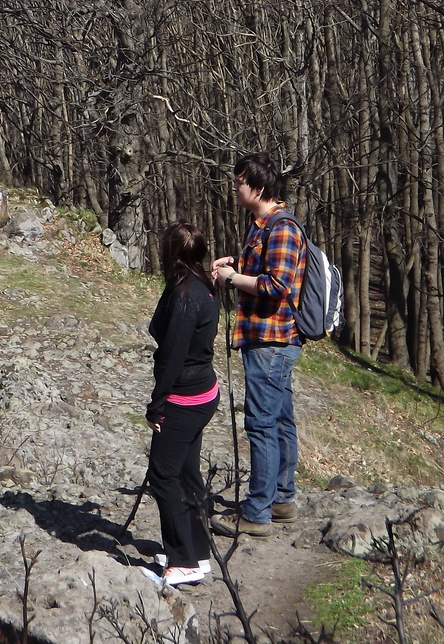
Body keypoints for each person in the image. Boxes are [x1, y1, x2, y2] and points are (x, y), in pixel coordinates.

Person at [211, 151, 306, 538]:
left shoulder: (282, 228)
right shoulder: (261, 227)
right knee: (280, 421)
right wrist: (234, 267)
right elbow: (263, 273)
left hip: (271, 342)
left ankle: (257, 512)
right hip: (269, 342)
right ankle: (281, 499)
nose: (235, 187)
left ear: (258, 186)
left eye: (239, 181)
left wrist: (234, 279)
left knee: (262, 426)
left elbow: (277, 285)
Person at [143, 220, 221, 588]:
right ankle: (199, 552)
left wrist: (157, 406)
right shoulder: (200, 284)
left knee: (163, 474)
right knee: (187, 473)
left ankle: (182, 559)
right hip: (202, 392)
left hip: (184, 399)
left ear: (171, 254)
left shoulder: (186, 295)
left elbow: (172, 355)